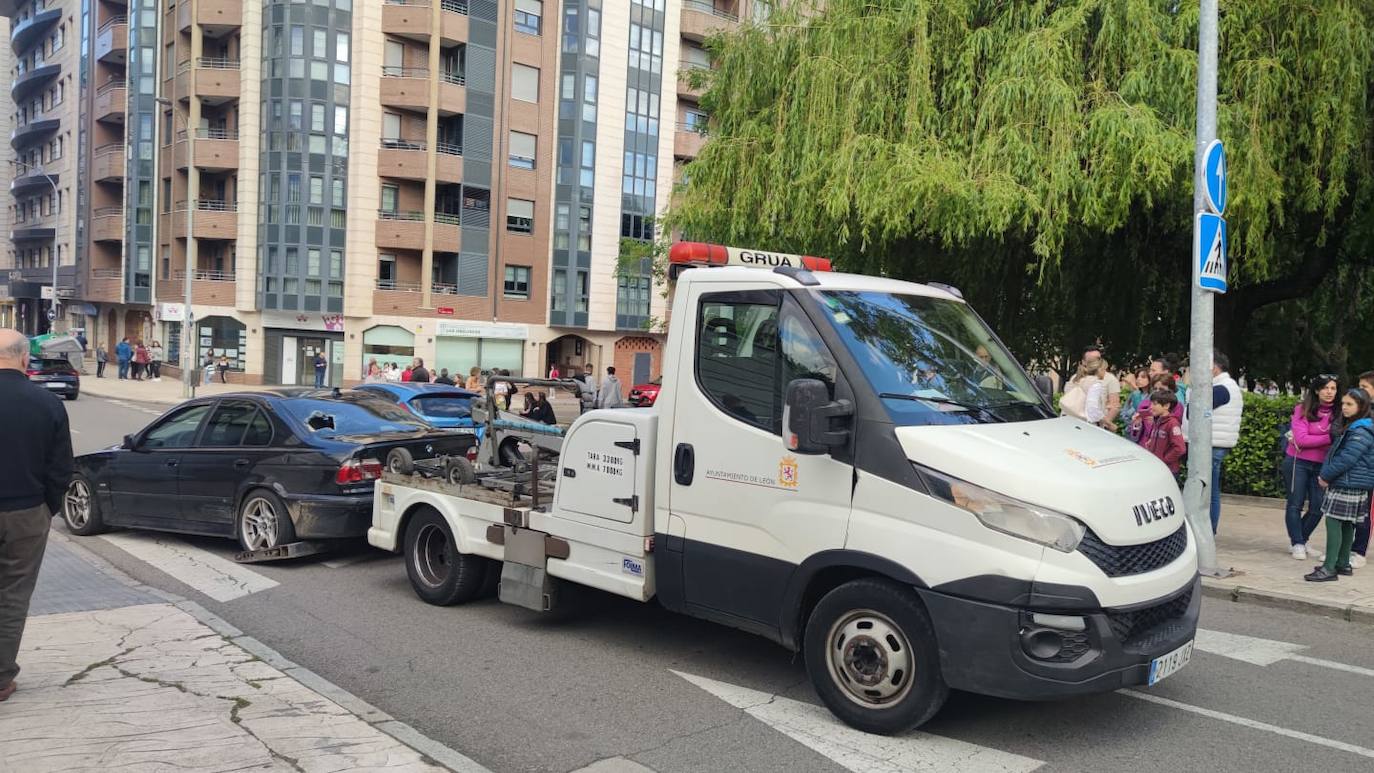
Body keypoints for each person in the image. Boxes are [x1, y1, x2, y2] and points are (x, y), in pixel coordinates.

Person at [0, 328, 74, 703]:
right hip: (26, 511)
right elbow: (61, 468)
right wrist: (48, 508)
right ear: (24, 359)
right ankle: (0, 679)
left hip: (27, 505)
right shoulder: (46, 403)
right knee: (13, 595)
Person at [1306, 389, 1374, 582]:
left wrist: (1325, 475)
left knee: (1334, 521)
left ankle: (1329, 568)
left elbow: (1347, 459)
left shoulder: (1361, 429)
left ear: (1361, 407)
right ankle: (1343, 563)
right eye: (1343, 403)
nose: (1344, 408)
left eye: (1349, 404)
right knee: (1346, 523)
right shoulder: (1360, 426)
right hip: (1353, 481)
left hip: (1347, 481)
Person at [1283, 375, 1339, 560]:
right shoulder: (1302, 409)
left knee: (1318, 506)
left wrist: (1316, 439)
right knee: (1295, 504)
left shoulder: (1339, 412)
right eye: (1325, 388)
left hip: (1323, 465)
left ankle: (1302, 538)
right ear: (1316, 390)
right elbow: (1301, 439)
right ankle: (1297, 543)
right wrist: (1330, 437)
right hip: (1298, 461)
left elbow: (1339, 437)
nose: (1329, 392)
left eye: (1333, 388)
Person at [1208, 352, 1244, 534]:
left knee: (1209, 493)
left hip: (1213, 444)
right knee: (1210, 491)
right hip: (1217, 443)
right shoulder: (1227, 386)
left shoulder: (1221, 388)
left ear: (1214, 367)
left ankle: (1209, 531)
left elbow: (1194, 411)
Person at [1060, 352, 1112, 428]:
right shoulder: (1095, 384)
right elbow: (1092, 409)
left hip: (1066, 420)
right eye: (1105, 370)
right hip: (1083, 425)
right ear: (1099, 369)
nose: (1105, 373)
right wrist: (1108, 423)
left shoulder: (1075, 378)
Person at [1142, 390, 1186, 475]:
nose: (1151, 407)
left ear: (1166, 406)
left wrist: (1164, 460)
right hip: (1157, 468)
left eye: (1154, 404)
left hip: (1168, 470)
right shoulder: (1157, 421)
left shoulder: (1172, 423)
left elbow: (1180, 448)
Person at [1123, 368, 1150, 440]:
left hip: (1144, 433)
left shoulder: (1152, 396)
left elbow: (1141, 410)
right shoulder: (1134, 394)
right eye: (1137, 377)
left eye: (1143, 377)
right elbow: (1124, 411)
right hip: (1130, 430)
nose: (1138, 379)